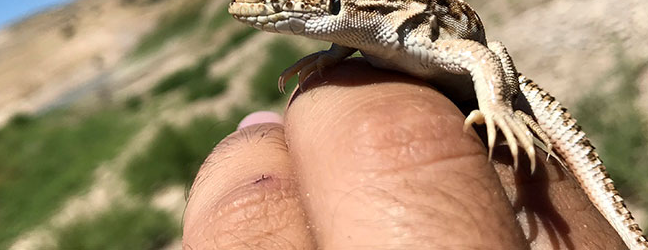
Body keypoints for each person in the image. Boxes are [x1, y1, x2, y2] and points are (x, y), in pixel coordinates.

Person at [183, 59, 624, 249]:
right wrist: (335, 56)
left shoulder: (399, 15)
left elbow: (481, 53)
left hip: (499, 86)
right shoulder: (362, 28)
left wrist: (497, 107)